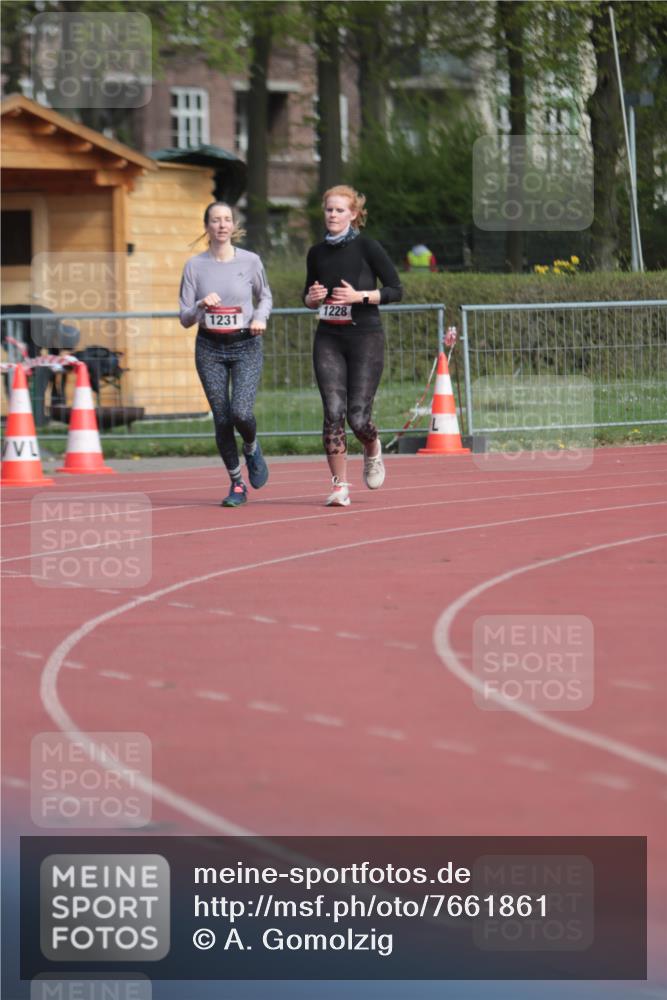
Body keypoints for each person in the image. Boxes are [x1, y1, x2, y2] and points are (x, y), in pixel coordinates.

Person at [303, 185, 403, 506]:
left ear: (354, 214)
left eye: (339, 210)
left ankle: (372, 447)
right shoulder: (316, 253)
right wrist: (312, 298)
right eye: (329, 210)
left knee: (358, 418)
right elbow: (307, 296)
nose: (332, 215)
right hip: (328, 338)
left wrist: (360, 296)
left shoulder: (368, 247)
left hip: (365, 337)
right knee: (333, 412)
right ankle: (339, 486)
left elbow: (395, 289)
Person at [179, 202, 272, 507]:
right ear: (206, 226)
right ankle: (237, 483)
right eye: (215, 220)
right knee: (221, 418)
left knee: (241, 413)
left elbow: (265, 296)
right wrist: (200, 306)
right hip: (209, 347)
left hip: (245, 344)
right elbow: (184, 317)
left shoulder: (250, 261)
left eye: (227, 220)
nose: (221, 225)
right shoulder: (194, 266)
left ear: (234, 226)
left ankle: (251, 445)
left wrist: (261, 317)